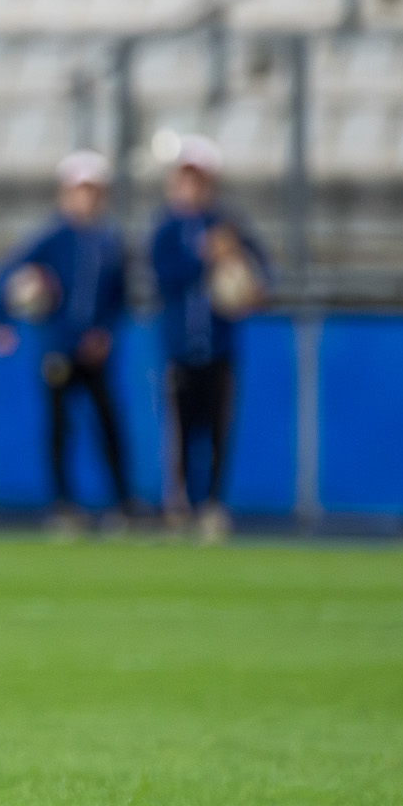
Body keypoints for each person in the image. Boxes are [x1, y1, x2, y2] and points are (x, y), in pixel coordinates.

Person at [0, 150, 133, 532]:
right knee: (58, 426)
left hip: (96, 352)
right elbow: (6, 277)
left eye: (92, 191)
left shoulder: (109, 241)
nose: (85, 198)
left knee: (107, 423)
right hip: (57, 348)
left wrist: (104, 333)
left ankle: (121, 504)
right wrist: (4, 321)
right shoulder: (51, 238)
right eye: (79, 190)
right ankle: (63, 505)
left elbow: (120, 297)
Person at [151, 135, 269, 542]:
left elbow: (261, 272)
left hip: (220, 348)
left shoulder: (228, 225)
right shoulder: (167, 228)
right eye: (186, 180)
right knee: (181, 431)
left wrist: (249, 280)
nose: (192, 189)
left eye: (199, 181)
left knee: (217, 431)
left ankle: (212, 505)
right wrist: (204, 256)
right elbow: (163, 275)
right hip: (180, 348)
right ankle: (180, 505)